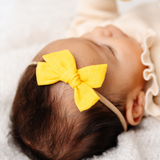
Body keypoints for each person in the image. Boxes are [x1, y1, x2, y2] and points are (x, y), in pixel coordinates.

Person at [10, 0, 160, 160]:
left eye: (83, 38)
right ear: (136, 105)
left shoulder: (87, 43)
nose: (98, 30)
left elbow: (94, 12)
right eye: (109, 50)